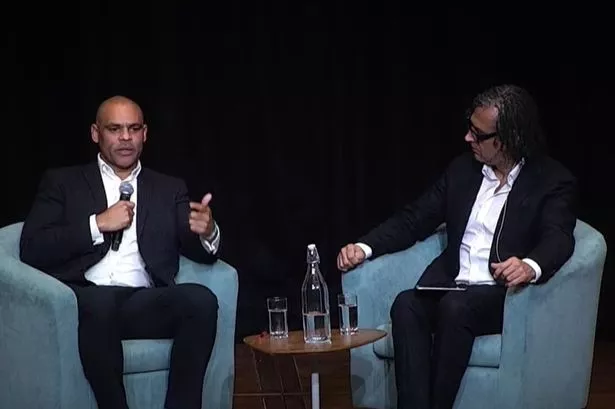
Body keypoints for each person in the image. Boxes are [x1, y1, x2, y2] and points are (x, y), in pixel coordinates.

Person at [336, 84, 578, 409]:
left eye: (478, 135)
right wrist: (364, 247)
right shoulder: (463, 171)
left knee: (456, 308)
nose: (468, 138)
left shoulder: (551, 180)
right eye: (470, 128)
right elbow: (415, 219)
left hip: (502, 295)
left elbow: (558, 236)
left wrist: (529, 265)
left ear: (507, 139)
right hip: (451, 286)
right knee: (407, 305)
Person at [20, 96, 221, 409]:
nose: (126, 137)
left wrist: (207, 232)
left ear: (145, 134)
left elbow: (197, 250)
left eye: (133, 128)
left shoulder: (169, 188)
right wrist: (97, 224)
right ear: (95, 133)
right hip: (83, 302)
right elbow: (33, 249)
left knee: (201, 300)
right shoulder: (62, 182)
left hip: (140, 303)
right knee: (99, 303)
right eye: (115, 129)